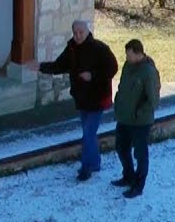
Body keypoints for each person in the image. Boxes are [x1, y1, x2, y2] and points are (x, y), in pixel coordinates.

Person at [39, 20, 118, 181]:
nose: (78, 35)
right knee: (89, 133)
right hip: (82, 98)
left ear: (87, 31)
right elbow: (59, 65)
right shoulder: (72, 49)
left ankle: (86, 167)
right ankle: (95, 163)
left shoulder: (100, 48)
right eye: (75, 33)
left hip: (97, 98)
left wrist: (92, 75)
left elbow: (112, 68)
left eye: (81, 32)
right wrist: (40, 66)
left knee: (88, 134)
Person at [111, 38, 160, 199]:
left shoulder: (148, 72)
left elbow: (153, 99)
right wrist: (118, 102)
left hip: (140, 122)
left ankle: (138, 185)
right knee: (121, 147)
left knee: (140, 154)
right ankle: (128, 176)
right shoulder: (128, 66)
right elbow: (122, 87)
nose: (127, 58)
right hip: (124, 117)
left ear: (138, 54)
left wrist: (139, 113)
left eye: (129, 55)